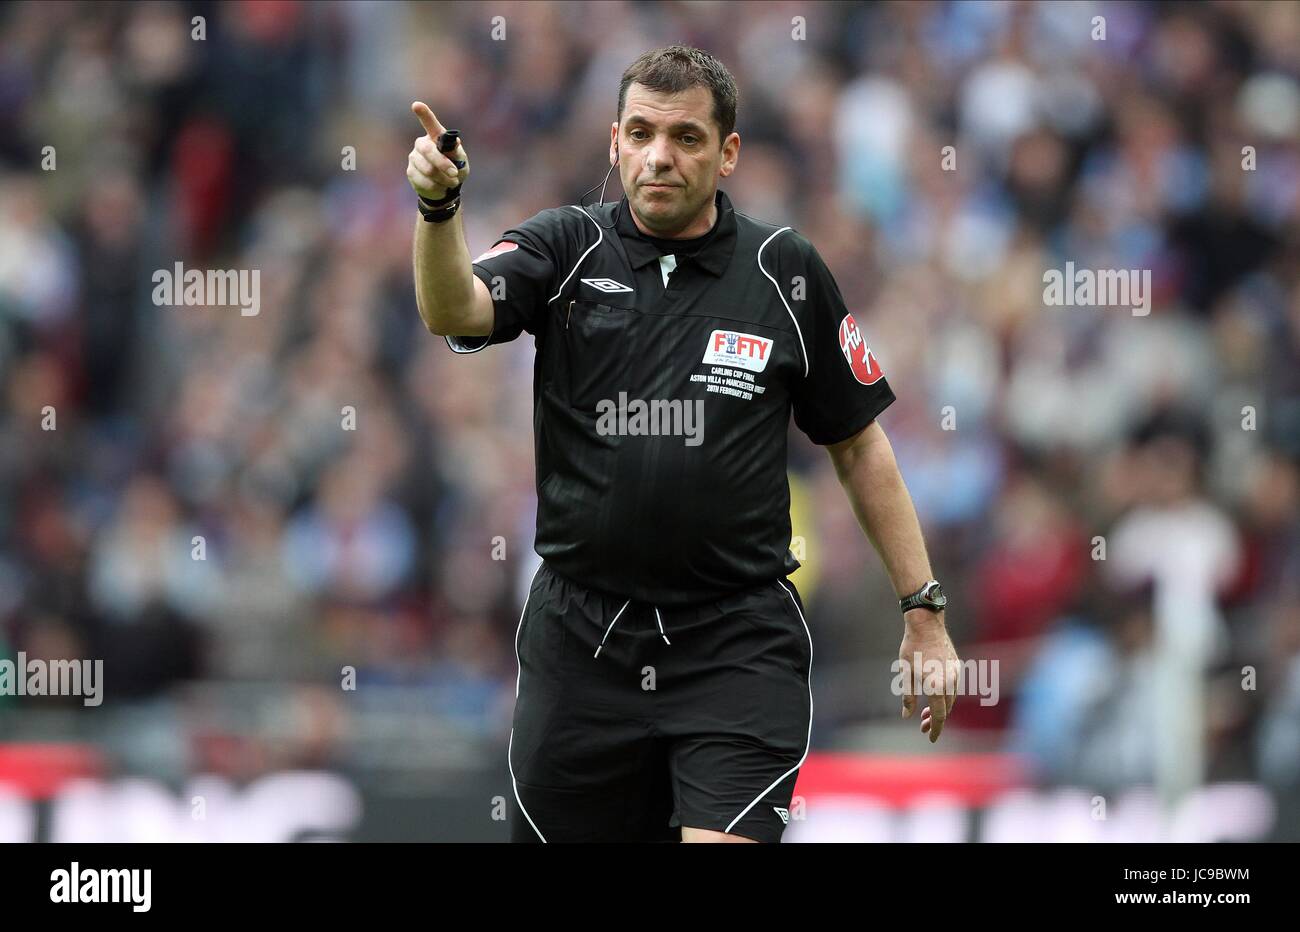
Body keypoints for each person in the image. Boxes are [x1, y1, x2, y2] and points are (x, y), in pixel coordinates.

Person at [408, 45, 959, 843]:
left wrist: (924, 613)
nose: (659, 156)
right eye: (641, 133)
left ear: (727, 152)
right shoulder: (564, 249)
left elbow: (859, 447)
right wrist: (437, 211)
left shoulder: (785, 272)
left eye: (687, 138)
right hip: (581, 641)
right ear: (614, 142)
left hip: (734, 644)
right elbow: (453, 311)